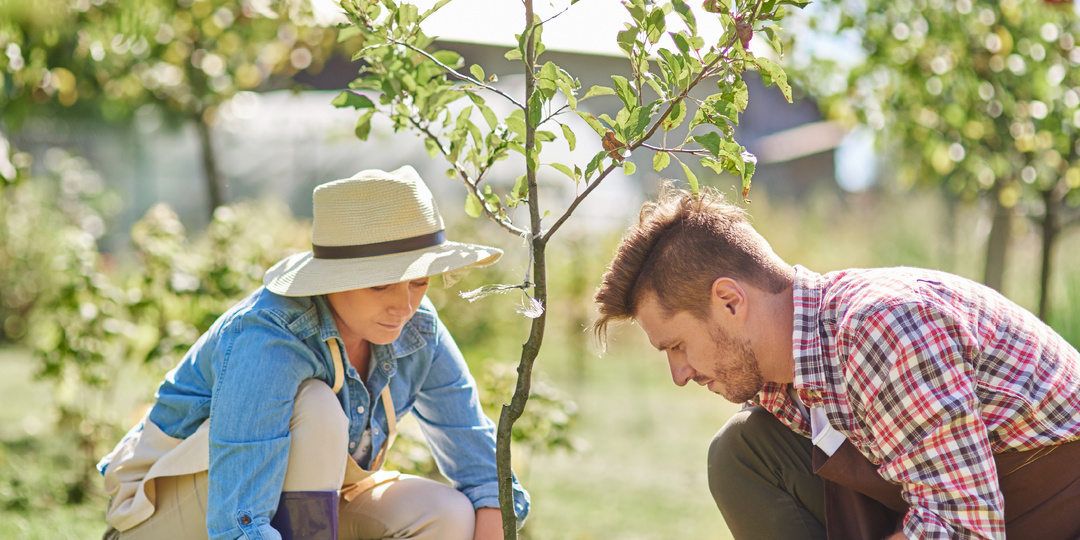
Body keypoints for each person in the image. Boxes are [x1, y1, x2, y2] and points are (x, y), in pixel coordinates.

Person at [591, 184, 1080, 540]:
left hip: (1049, 504)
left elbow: (965, 529)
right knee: (743, 449)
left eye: (676, 346)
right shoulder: (781, 372)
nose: (679, 375)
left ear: (730, 302)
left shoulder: (883, 328)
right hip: (964, 501)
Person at [98, 166, 529, 540]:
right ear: (334, 277)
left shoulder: (417, 328)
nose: (404, 304)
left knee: (447, 515)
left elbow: (484, 474)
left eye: (419, 281)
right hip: (168, 518)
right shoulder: (270, 335)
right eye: (380, 283)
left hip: (300, 516)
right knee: (319, 406)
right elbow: (237, 520)